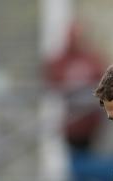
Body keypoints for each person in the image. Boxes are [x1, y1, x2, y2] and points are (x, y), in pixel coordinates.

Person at [45, 23, 106, 153]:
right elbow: (51, 78)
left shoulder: (92, 59)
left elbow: (104, 79)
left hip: (91, 123)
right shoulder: (62, 61)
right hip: (71, 123)